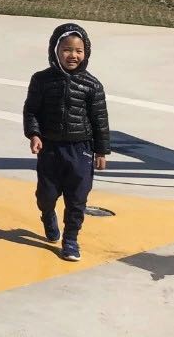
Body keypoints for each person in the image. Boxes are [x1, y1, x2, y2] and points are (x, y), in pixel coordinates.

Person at [23, 23, 111, 262]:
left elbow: (100, 120)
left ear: (86, 52)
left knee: (77, 198)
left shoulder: (92, 85)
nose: (73, 55)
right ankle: (47, 214)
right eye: (67, 49)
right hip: (50, 148)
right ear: (55, 50)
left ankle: (70, 239)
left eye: (78, 50)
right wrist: (34, 134)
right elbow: (31, 111)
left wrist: (101, 151)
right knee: (46, 195)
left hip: (81, 149)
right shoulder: (41, 80)